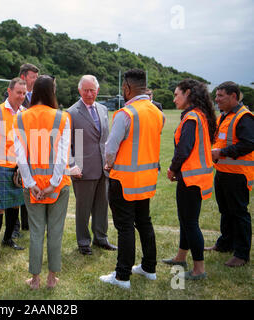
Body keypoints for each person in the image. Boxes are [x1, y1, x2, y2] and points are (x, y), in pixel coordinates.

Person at [99, 69, 164, 289]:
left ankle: (122, 276)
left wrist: (108, 164)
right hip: (146, 179)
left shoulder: (126, 113)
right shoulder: (157, 112)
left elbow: (110, 148)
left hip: (124, 181)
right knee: (144, 222)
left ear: (127, 88)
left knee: (125, 227)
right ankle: (149, 267)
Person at [14, 75, 71, 289]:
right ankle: (51, 278)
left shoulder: (20, 118)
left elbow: (20, 157)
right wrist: (53, 184)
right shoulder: (62, 118)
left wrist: (31, 184)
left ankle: (35, 280)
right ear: (51, 92)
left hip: (34, 187)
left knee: (36, 232)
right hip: (58, 186)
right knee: (55, 232)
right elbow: (63, 156)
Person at [162, 79, 217, 280]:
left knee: (190, 222)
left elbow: (184, 149)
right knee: (186, 220)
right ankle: (180, 257)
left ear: (187, 93)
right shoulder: (199, 115)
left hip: (191, 179)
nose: (174, 98)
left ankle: (199, 269)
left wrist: (172, 168)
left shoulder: (192, 117)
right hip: (194, 177)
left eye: (177, 94)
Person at [204, 81, 253, 267]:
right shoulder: (224, 116)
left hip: (237, 174)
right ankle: (225, 244)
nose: (216, 100)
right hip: (223, 172)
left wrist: (221, 153)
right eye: (216, 96)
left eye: (220, 96)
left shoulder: (244, 117)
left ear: (234, 96)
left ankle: (241, 253)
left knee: (239, 213)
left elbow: (249, 144)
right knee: (225, 211)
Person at [66, 75, 116, 255]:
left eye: (92, 90)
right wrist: (73, 165)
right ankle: (83, 242)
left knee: (102, 206)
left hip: (103, 167)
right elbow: (67, 144)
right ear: (79, 91)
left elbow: (105, 139)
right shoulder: (71, 112)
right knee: (83, 208)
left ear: (97, 91)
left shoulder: (103, 110)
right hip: (82, 170)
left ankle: (101, 238)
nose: (89, 93)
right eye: (85, 90)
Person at [0, 78, 27, 264]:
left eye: (24, 93)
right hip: (0, 165)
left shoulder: (25, 114)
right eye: (18, 92)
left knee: (16, 205)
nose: (21, 96)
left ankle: (8, 239)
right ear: (9, 91)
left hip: (19, 166)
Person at [11, 63, 39, 238]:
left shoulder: (37, 96)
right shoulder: (12, 95)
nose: (35, 80)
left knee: (28, 182)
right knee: (15, 186)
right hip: (15, 146)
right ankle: (14, 227)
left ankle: (27, 222)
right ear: (23, 77)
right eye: (33, 77)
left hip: (33, 145)